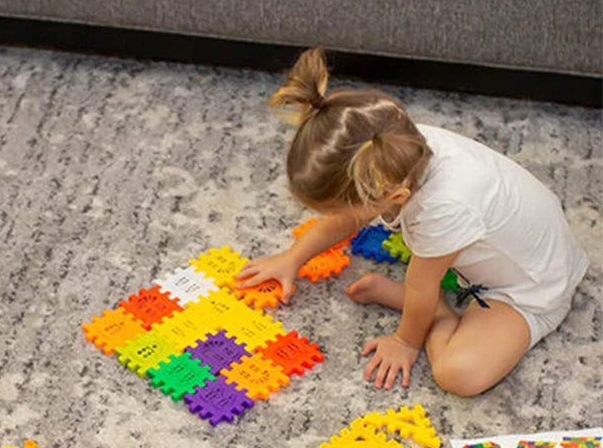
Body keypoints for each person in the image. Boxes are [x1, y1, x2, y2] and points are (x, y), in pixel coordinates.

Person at [235, 48, 589, 397]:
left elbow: (421, 285)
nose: (332, 218)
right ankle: (434, 307)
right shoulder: (394, 145)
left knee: (457, 374)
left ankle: (442, 316)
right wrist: (292, 258)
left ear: (394, 197)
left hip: (532, 290)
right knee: (422, 265)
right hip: (500, 250)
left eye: (334, 210)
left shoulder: (441, 207)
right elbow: (348, 218)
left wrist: (405, 341)